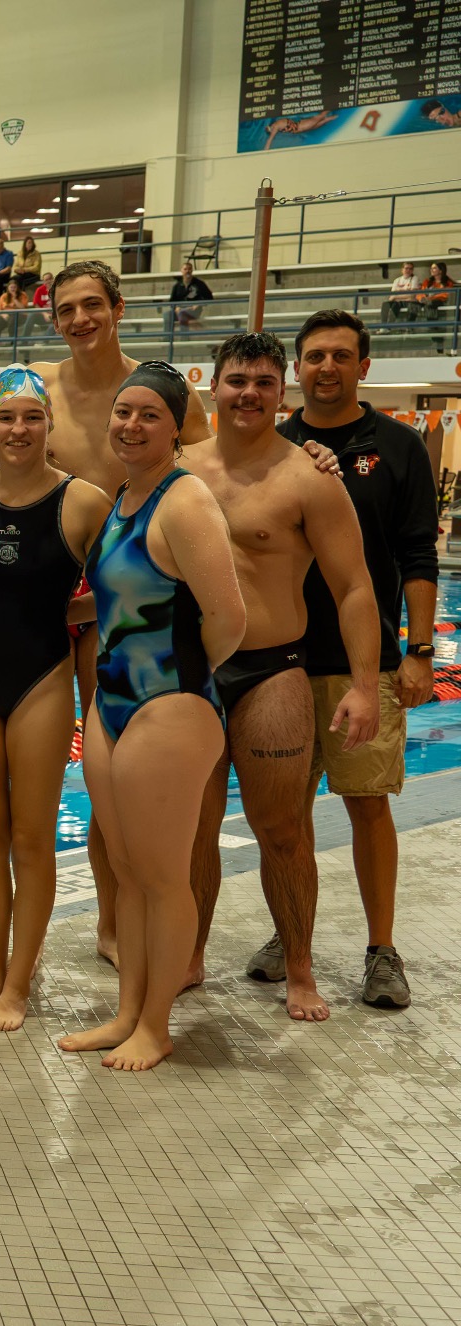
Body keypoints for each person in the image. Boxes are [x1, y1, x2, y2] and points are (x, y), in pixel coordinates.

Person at [179, 330, 379, 1023]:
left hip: (272, 670)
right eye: (238, 380)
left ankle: (299, 969)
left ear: (281, 392)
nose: (249, 393)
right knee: (193, 829)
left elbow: (354, 586)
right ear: (214, 386)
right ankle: (190, 956)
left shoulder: (308, 477)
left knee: (283, 828)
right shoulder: (177, 470)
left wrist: (362, 685)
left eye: (264, 382)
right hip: (192, 674)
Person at [58, 363, 245, 1070]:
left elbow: (229, 617)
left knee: (163, 876)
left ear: (177, 427)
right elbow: (119, 600)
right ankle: (127, 1011)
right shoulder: (126, 497)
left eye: (148, 416)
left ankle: (157, 1025)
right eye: (122, 412)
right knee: (129, 870)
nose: (130, 426)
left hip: (171, 703)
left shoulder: (185, 500)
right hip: (111, 699)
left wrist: (182, 680)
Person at [35, 261, 213, 968]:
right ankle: (115, 918)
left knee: (152, 780)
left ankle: (154, 929)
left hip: (138, 614)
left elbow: (213, 470)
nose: (80, 320)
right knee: (97, 775)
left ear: (118, 307)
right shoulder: (41, 389)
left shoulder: (159, 389)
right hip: (62, 604)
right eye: (67, 309)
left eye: (91, 306)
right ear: (53, 317)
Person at [263, 309, 441, 1009]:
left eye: (340, 355)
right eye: (313, 356)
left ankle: (381, 949)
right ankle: (291, 934)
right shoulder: (273, 446)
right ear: (295, 371)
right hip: (280, 661)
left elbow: (418, 555)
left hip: (361, 662)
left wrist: (419, 652)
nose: (326, 367)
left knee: (368, 806)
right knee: (286, 812)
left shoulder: (396, 447)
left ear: (364, 366)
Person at [0, 366, 113, 1030]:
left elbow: (120, 588)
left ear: (49, 426)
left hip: (41, 676)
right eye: (6, 416)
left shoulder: (84, 502)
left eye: (31, 417)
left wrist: (65, 609)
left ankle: (18, 987)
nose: (18, 428)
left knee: (32, 838)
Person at [167, 261, 212, 332]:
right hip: (179, 310)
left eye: (189, 269)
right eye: (185, 269)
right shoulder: (177, 286)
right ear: (181, 271)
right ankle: (167, 338)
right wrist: (176, 307)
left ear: (192, 270)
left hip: (194, 310)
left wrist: (199, 304)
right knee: (167, 314)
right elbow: (171, 301)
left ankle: (184, 338)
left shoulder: (199, 284)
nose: (187, 271)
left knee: (182, 314)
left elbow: (209, 297)